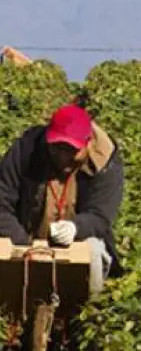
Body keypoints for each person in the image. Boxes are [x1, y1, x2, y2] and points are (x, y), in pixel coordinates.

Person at [0, 104, 124, 295]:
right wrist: (23, 244)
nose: (63, 158)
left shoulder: (106, 163)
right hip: (26, 238)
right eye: (57, 148)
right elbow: (2, 202)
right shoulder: (26, 150)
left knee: (95, 256)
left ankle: (84, 313)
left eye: (71, 151)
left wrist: (76, 227)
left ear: (88, 143)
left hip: (77, 241)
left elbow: (100, 216)